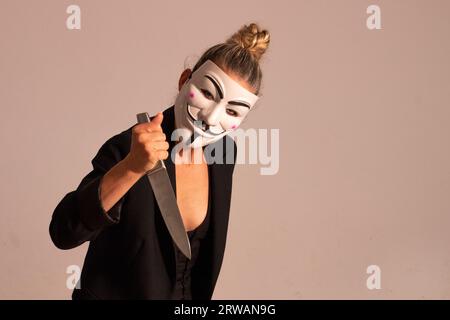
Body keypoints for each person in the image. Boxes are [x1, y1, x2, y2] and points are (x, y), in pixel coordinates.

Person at [49, 22, 270, 300]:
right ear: (184, 80)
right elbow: (64, 232)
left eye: (233, 111)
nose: (212, 118)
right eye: (207, 93)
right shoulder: (127, 148)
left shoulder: (224, 151)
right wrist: (131, 167)